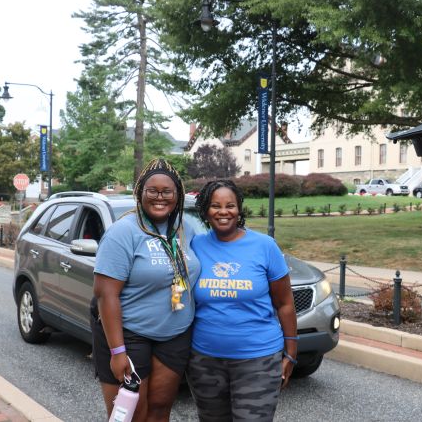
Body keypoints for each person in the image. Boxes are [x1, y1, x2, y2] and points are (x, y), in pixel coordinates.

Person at [92, 159, 201, 421]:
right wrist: (117, 352)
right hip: (129, 334)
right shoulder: (123, 231)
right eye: (152, 190)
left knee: (161, 408)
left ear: (178, 195)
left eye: (167, 191)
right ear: (140, 192)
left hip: (174, 333)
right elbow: (106, 294)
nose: (160, 197)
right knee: (131, 414)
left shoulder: (187, 228)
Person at [187, 179, 297, 421]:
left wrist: (290, 353)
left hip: (258, 359)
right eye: (216, 206)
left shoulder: (265, 246)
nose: (224, 212)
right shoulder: (195, 245)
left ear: (239, 209)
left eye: (231, 205)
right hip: (205, 361)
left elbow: (285, 303)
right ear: (206, 210)